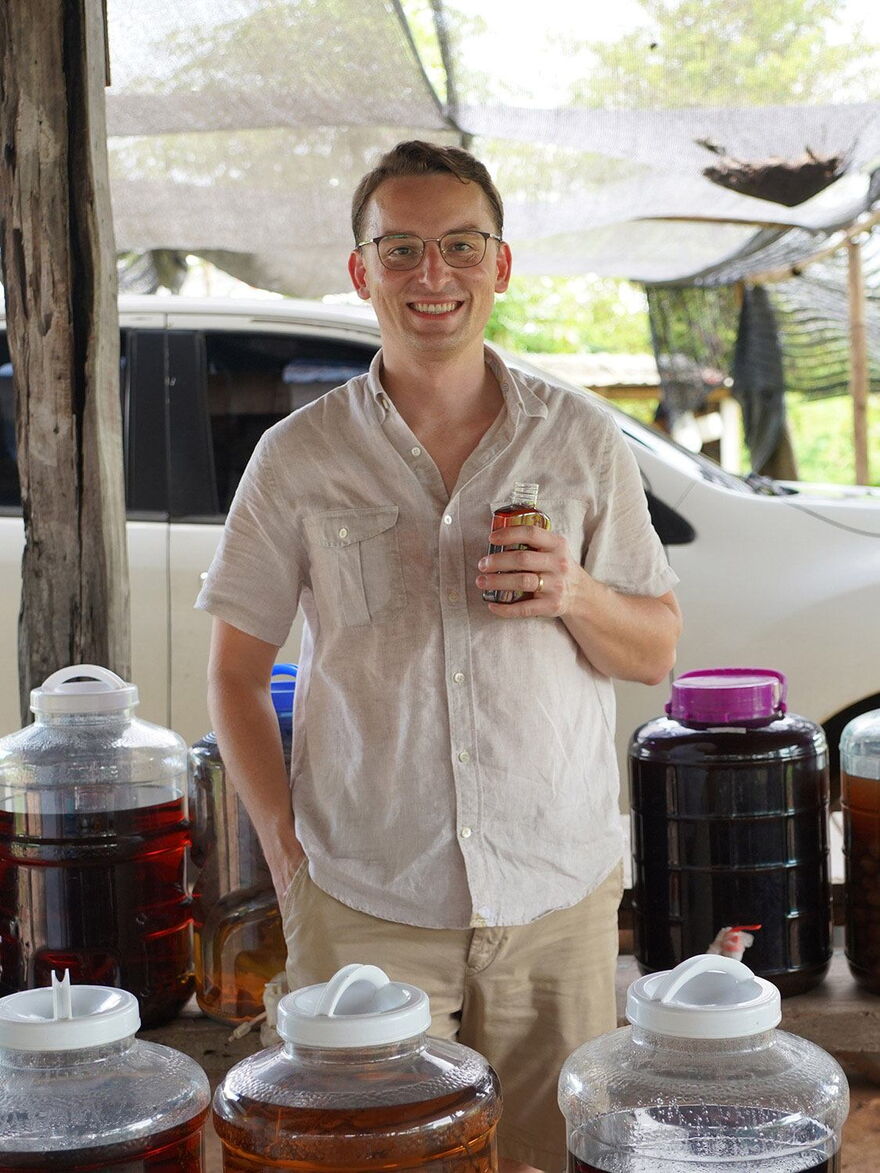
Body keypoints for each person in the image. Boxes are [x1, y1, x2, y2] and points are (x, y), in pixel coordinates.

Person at [196, 140, 681, 1172]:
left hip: (553, 889)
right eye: (402, 248)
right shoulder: (299, 457)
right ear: (360, 269)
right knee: (369, 1159)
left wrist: (576, 593)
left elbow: (655, 653)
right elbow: (235, 673)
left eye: (460, 245)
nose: (433, 275)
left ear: (499, 266)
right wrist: (288, 856)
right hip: (367, 897)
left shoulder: (584, 441)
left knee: (556, 1157)